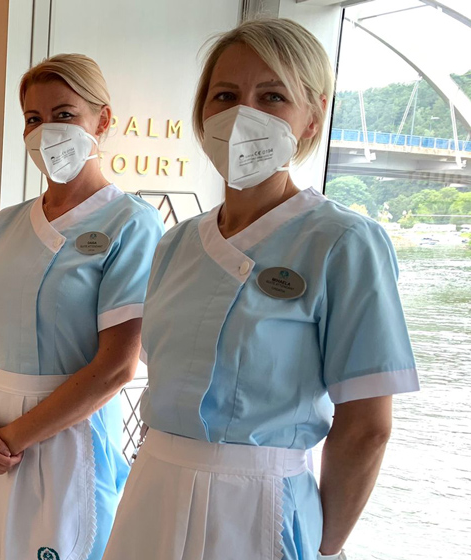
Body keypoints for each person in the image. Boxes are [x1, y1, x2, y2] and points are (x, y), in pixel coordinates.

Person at [102, 19, 419, 560]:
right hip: (153, 488)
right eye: (225, 96)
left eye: (272, 96)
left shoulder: (342, 242)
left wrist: (323, 545)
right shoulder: (176, 243)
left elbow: (367, 426)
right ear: (203, 113)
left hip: (260, 507)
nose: (243, 115)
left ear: (312, 117)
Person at [0, 54, 163, 560]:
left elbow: (117, 366)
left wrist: (11, 439)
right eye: (33, 119)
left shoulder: (131, 223)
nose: (46, 132)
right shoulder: (7, 223)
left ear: (102, 121)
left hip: (66, 438)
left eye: (64, 115)